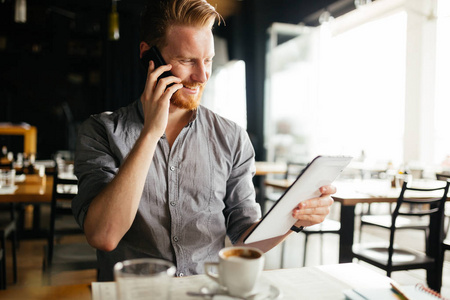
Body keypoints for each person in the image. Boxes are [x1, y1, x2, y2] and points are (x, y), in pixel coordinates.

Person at [72, 0, 336, 281]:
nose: (201, 76)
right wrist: (150, 134)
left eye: (207, 60)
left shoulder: (232, 138)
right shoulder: (101, 131)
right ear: (149, 56)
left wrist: (293, 219)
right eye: (187, 60)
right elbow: (104, 236)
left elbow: (247, 242)